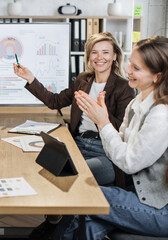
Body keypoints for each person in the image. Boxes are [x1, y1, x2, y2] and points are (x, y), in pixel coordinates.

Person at [50, 36, 168, 239]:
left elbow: (129, 163)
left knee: (83, 194)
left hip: (158, 208)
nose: (128, 69)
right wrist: (102, 121)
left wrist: (103, 122)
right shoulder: (137, 102)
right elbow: (116, 147)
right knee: (85, 224)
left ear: (157, 76)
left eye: (136, 68)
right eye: (130, 62)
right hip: (137, 195)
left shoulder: (161, 114)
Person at [13, 32, 135, 185]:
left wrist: (99, 114)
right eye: (94, 52)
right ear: (89, 56)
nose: (99, 57)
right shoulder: (83, 79)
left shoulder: (124, 87)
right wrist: (30, 78)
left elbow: (124, 130)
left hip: (105, 153)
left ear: (115, 56)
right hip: (78, 144)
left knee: (64, 176)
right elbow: (54, 101)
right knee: (41, 168)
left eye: (105, 52)